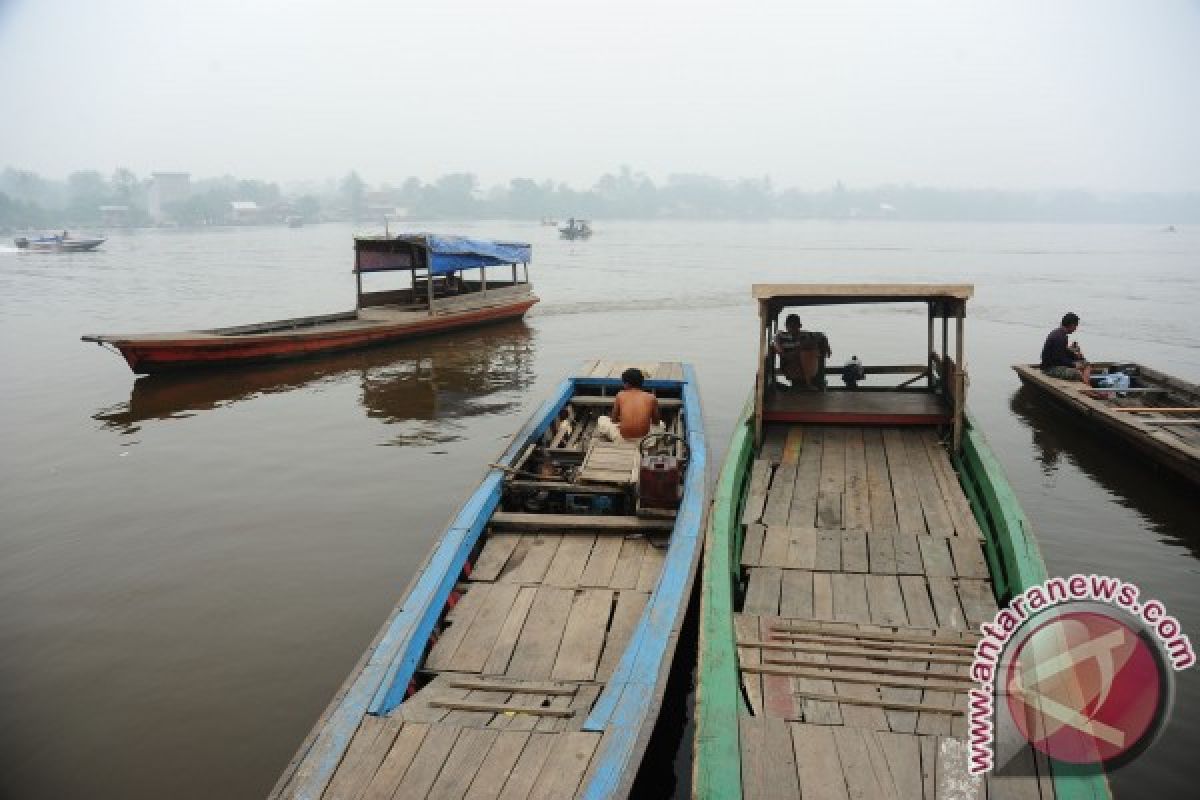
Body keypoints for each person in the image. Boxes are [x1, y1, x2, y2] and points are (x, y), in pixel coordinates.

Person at [596, 367, 662, 442]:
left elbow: (613, 420)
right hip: (644, 441)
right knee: (662, 424)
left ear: (627, 384)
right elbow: (656, 422)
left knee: (602, 419)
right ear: (642, 382)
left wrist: (623, 420)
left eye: (623, 383)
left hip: (622, 440)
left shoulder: (620, 395)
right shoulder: (651, 397)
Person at [773, 314, 832, 390]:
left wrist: (827, 347)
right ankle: (808, 383)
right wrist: (780, 349)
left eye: (795, 326)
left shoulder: (806, 334)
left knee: (809, 347)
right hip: (789, 363)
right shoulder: (781, 335)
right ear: (786, 326)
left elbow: (821, 335)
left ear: (800, 326)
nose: (792, 329)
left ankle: (812, 382)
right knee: (803, 350)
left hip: (807, 362)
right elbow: (775, 342)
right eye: (790, 326)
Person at [1040, 312, 1091, 386]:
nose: (1076, 328)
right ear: (1072, 325)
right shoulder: (1060, 337)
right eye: (1076, 326)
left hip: (1053, 364)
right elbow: (1058, 359)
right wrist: (1074, 365)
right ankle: (1088, 388)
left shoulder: (1059, 333)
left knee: (1086, 364)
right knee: (1077, 373)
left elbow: (1064, 352)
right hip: (1049, 368)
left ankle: (1087, 385)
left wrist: (1076, 357)